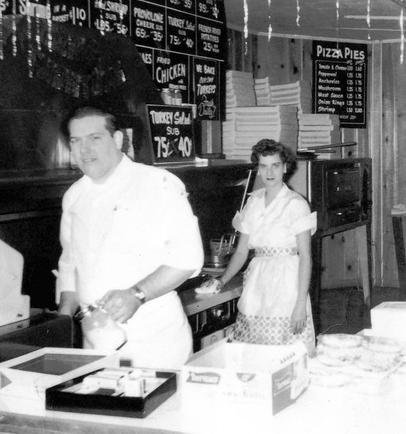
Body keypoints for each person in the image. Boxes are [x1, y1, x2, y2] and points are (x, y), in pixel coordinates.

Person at [55, 103, 204, 369]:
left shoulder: (158, 184)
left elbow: (188, 258)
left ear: (118, 139)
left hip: (154, 341)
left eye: (95, 139)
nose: (84, 150)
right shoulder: (74, 196)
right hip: (95, 340)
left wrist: (137, 294)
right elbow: (70, 264)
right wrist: (62, 322)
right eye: (76, 141)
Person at [202, 139, 316, 352]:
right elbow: (242, 251)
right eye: (263, 166)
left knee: (286, 352)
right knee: (253, 351)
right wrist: (221, 280)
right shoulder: (253, 202)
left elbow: (306, 257)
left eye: (275, 165)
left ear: (285, 167)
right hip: (257, 284)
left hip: (287, 285)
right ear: (258, 169)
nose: (269, 172)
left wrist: (300, 304)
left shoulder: (296, 204)